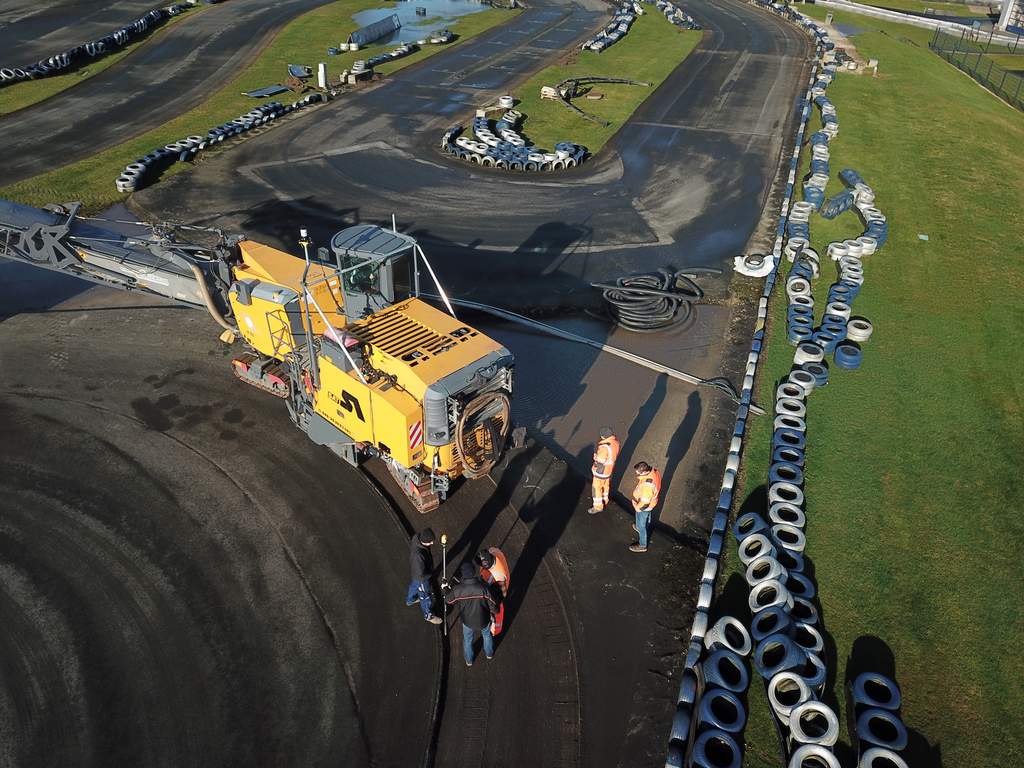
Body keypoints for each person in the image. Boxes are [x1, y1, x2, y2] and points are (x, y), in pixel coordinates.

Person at [445, 561, 498, 666]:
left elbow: (449, 600)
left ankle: (469, 661)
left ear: (463, 574)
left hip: (467, 621)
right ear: (474, 572)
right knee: (487, 635)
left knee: (468, 640)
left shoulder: (458, 589)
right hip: (484, 619)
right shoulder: (483, 588)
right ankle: (489, 654)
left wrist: (445, 590)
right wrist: (496, 612)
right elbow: (492, 604)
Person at [406, 528, 443, 624]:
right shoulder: (418, 556)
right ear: (424, 541)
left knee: (414, 585)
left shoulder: (417, 538)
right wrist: (430, 574)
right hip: (421, 577)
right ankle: (428, 615)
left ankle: (410, 600)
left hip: (416, 574)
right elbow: (421, 575)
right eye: (430, 542)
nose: (432, 543)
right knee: (425, 596)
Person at [476, 547, 510, 634]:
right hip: (491, 585)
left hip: (496, 592)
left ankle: (496, 629)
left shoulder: (499, 576)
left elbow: (502, 595)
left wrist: (493, 601)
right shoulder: (494, 553)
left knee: (497, 609)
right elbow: (493, 549)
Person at [630, 462, 662, 553]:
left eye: (638, 473)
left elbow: (644, 503)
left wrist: (637, 507)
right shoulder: (654, 472)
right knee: (647, 517)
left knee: (641, 522)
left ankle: (642, 545)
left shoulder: (648, 486)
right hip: (651, 503)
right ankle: (641, 526)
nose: (637, 474)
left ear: (644, 472)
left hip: (644, 506)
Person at [588, 427, 620, 515]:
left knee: (596, 488)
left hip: (601, 472)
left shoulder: (604, 447)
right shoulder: (615, 443)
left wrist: (596, 458)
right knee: (606, 486)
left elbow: (600, 461)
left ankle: (598, 507)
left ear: (603, 436)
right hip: (608, 471)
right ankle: (605, 499)